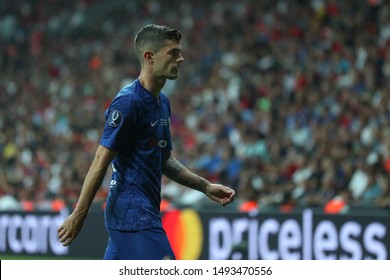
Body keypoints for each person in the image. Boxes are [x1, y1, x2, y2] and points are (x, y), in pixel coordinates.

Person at [57, 24, 235, 260]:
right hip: (133, 215)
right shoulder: (128, 102)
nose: (181, 58)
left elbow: (164, 159)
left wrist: (204, 186)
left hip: (142, 212)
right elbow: (101, 159)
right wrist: (79, 214)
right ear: (149, 57)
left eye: (180, 52)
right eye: (173, 52)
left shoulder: (162, 103)